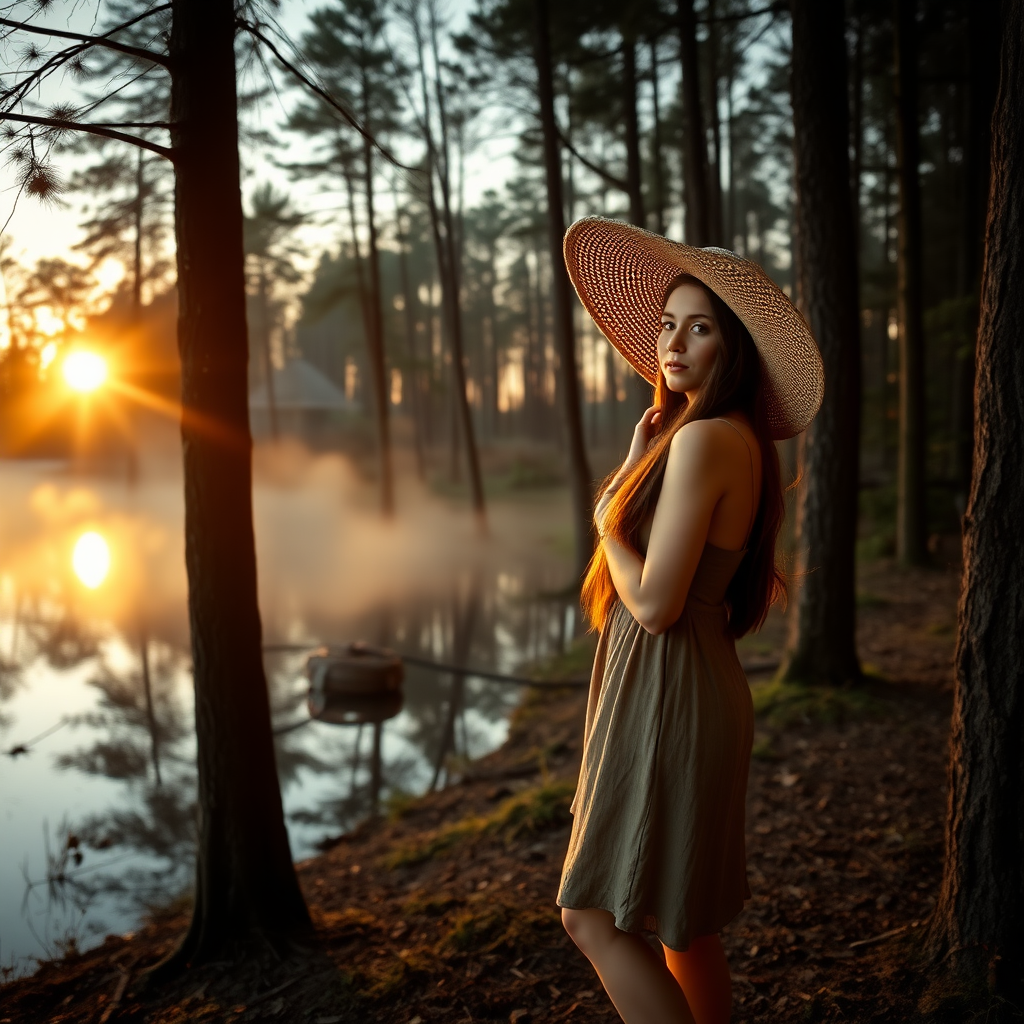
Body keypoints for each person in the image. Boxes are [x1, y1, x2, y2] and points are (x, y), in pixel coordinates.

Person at [555, 217, 824, 1024]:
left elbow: (658, 602)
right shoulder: (715, 437)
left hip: (672, 695)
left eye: (699, 328)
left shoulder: (708, 440)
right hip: (680, 690)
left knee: (592, 919)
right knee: (685, 929)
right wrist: (641, 464)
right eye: (668, 324)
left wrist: (607, 516)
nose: (672, 343)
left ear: (734, 346)